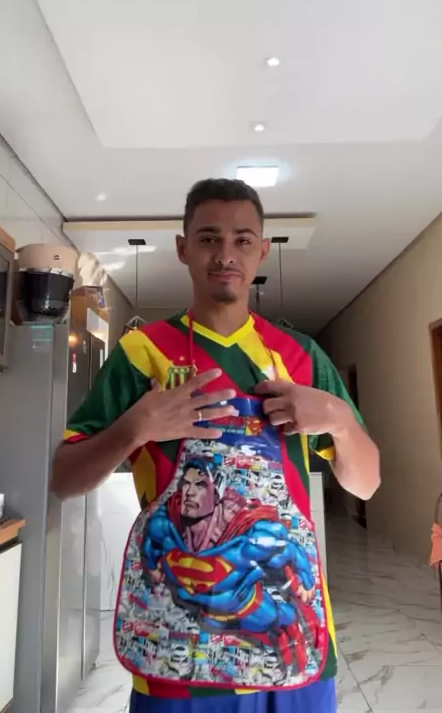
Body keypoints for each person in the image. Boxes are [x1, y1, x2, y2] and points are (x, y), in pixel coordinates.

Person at [52, 178, 380, 713]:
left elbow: (366, 482)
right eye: (208, 238)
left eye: (242, 240)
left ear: (262, 250)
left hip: (291, 651)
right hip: (176, 656)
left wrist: (340, 420)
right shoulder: (141, 353)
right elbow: (65, 479)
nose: (226, 254)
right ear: (183, 248)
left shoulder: (301, 357)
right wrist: (136, 427)